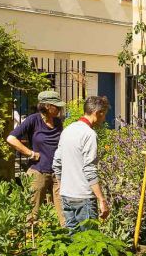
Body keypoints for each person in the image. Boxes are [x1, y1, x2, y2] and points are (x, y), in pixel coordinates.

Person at [6, 90, 65, 226]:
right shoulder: (33, 120)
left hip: (58, 173)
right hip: (38, 171)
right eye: (56, 106)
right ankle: (32, 242)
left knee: (64, 212)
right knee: (32, 214)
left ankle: (67, 241)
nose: (59, 109)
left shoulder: (58, 122)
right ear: (46, 106)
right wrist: (30, 153)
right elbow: (11, 138)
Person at [52, 95, 110, 233]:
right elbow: (89, 169)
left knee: (74, 243)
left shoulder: (68, 130)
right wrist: (101, 199)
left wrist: (62, 187)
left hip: (67, 195)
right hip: (83, 197)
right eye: (104, 115)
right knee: (89, 243)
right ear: (97, 113)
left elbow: (56, 163)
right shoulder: (89, 134)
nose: (104, 118)